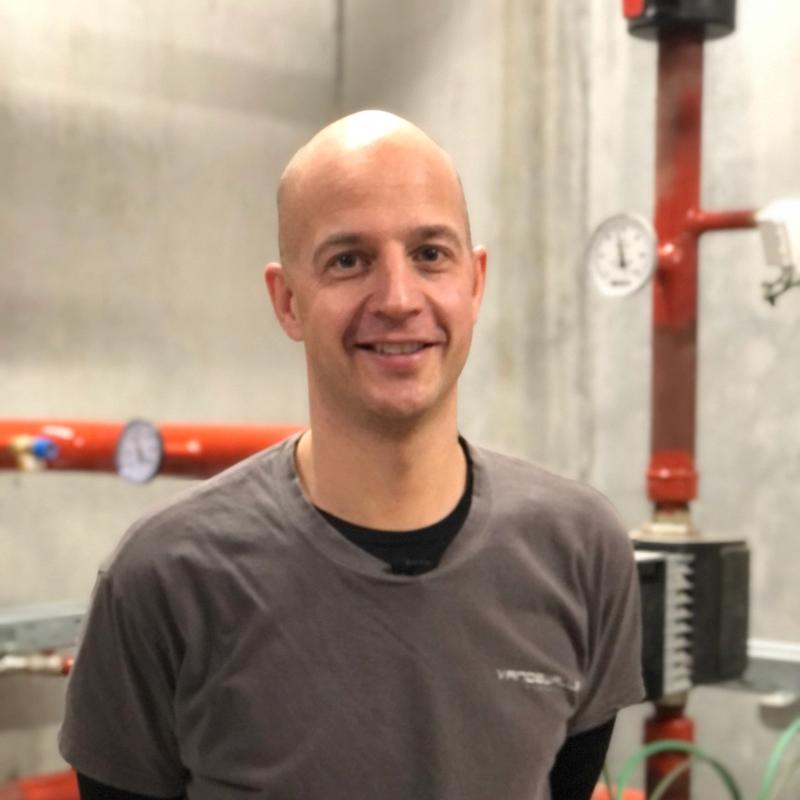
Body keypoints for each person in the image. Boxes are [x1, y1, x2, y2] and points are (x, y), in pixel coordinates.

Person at [59, 110, 644, 800]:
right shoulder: (164, 582)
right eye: (348, 260)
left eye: (430, 254)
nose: (398, 298)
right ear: (288, 302)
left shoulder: (580, 551)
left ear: (475, 281)